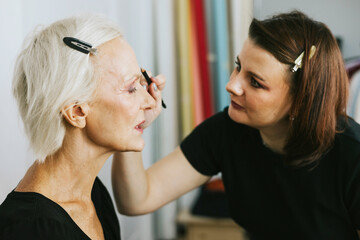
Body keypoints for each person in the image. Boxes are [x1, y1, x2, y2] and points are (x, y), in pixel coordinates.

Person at [111, 11, 360, 239]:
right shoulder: (227, 131)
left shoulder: (352, 157)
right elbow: (136, 200)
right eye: (239, 66)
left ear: (301, 100)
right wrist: (133, 122)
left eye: (255, 82)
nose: (232, 85)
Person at [0, 14, 164, 240]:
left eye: (142, 83)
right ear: (76, 112)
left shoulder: (94, 195)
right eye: (131, 88)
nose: (149, 101)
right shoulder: (30, 229)